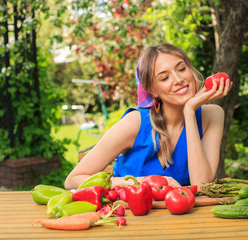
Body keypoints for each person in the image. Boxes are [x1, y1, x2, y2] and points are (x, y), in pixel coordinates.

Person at [65, 43, 233, 189]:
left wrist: (189, 111)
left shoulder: (212, 115)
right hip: (126, 216)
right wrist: (142, 181)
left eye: (182, 69)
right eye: (165, 78)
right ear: (152, 90)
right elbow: (73, 180)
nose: (178, 79)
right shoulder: (135, 123)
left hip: (180, 218)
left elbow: (201, 184)